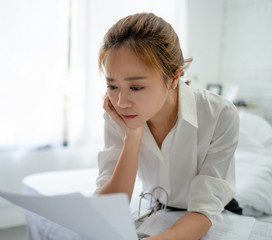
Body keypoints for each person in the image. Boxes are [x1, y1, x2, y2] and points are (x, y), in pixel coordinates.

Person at [95, 12, 241, 240]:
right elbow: (109, 208)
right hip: (158, 212)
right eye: (112, 86)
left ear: (174, 77)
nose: (121, 102)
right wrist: (132, 138)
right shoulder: (118, 116)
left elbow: (204, 209)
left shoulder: (220, 115)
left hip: (212, 217)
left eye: (136, 87)